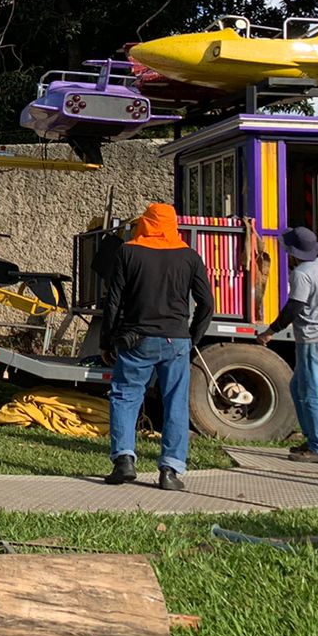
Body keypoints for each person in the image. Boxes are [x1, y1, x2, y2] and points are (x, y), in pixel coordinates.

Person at [100, 202, 215, 491]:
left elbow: (113, 301)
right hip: (176, 340)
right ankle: (171, 471)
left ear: (146, 223)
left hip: (137, 339)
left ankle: (124, 459)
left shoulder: (128, 252)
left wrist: (107, 340)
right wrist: (193, 336)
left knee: (126, 396)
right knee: (175, 401)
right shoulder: (188, 256)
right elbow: (207, 303)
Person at [258, 226, 318, 464]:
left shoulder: (302, 273)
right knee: (298, 388)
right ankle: (313, 437)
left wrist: (269, 331)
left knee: (311, 393)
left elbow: (293, 308)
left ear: (292, 252)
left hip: (314, 340)